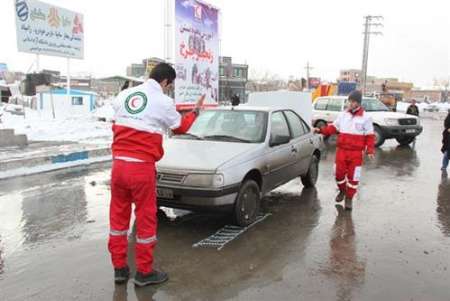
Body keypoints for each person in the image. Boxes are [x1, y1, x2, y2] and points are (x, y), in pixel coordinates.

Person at [109, 63, 204, 287]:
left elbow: (133, 114)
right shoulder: (163, 101)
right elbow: (180, 127)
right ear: (165, 82)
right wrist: (195, 112)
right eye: (170, 86)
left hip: (118, 165)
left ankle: (120, 269)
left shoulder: (125, 94)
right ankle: (144, 272)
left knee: (118, 219)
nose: (169, 90)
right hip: (141, 168)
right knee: (145, 218)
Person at [314, 90, 375, 210]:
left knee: (353, 178)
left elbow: (370, 136)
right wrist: (320, 130)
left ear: (358, 103)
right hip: (342, 151)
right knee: (338, 174)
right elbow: (333, 128)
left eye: (352, 101)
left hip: (356, 153)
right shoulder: (343, 115)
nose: (350, 103)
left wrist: (370, 150)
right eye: (349, 101)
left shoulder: (366, 117)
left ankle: (349, 198)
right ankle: (342, 191)